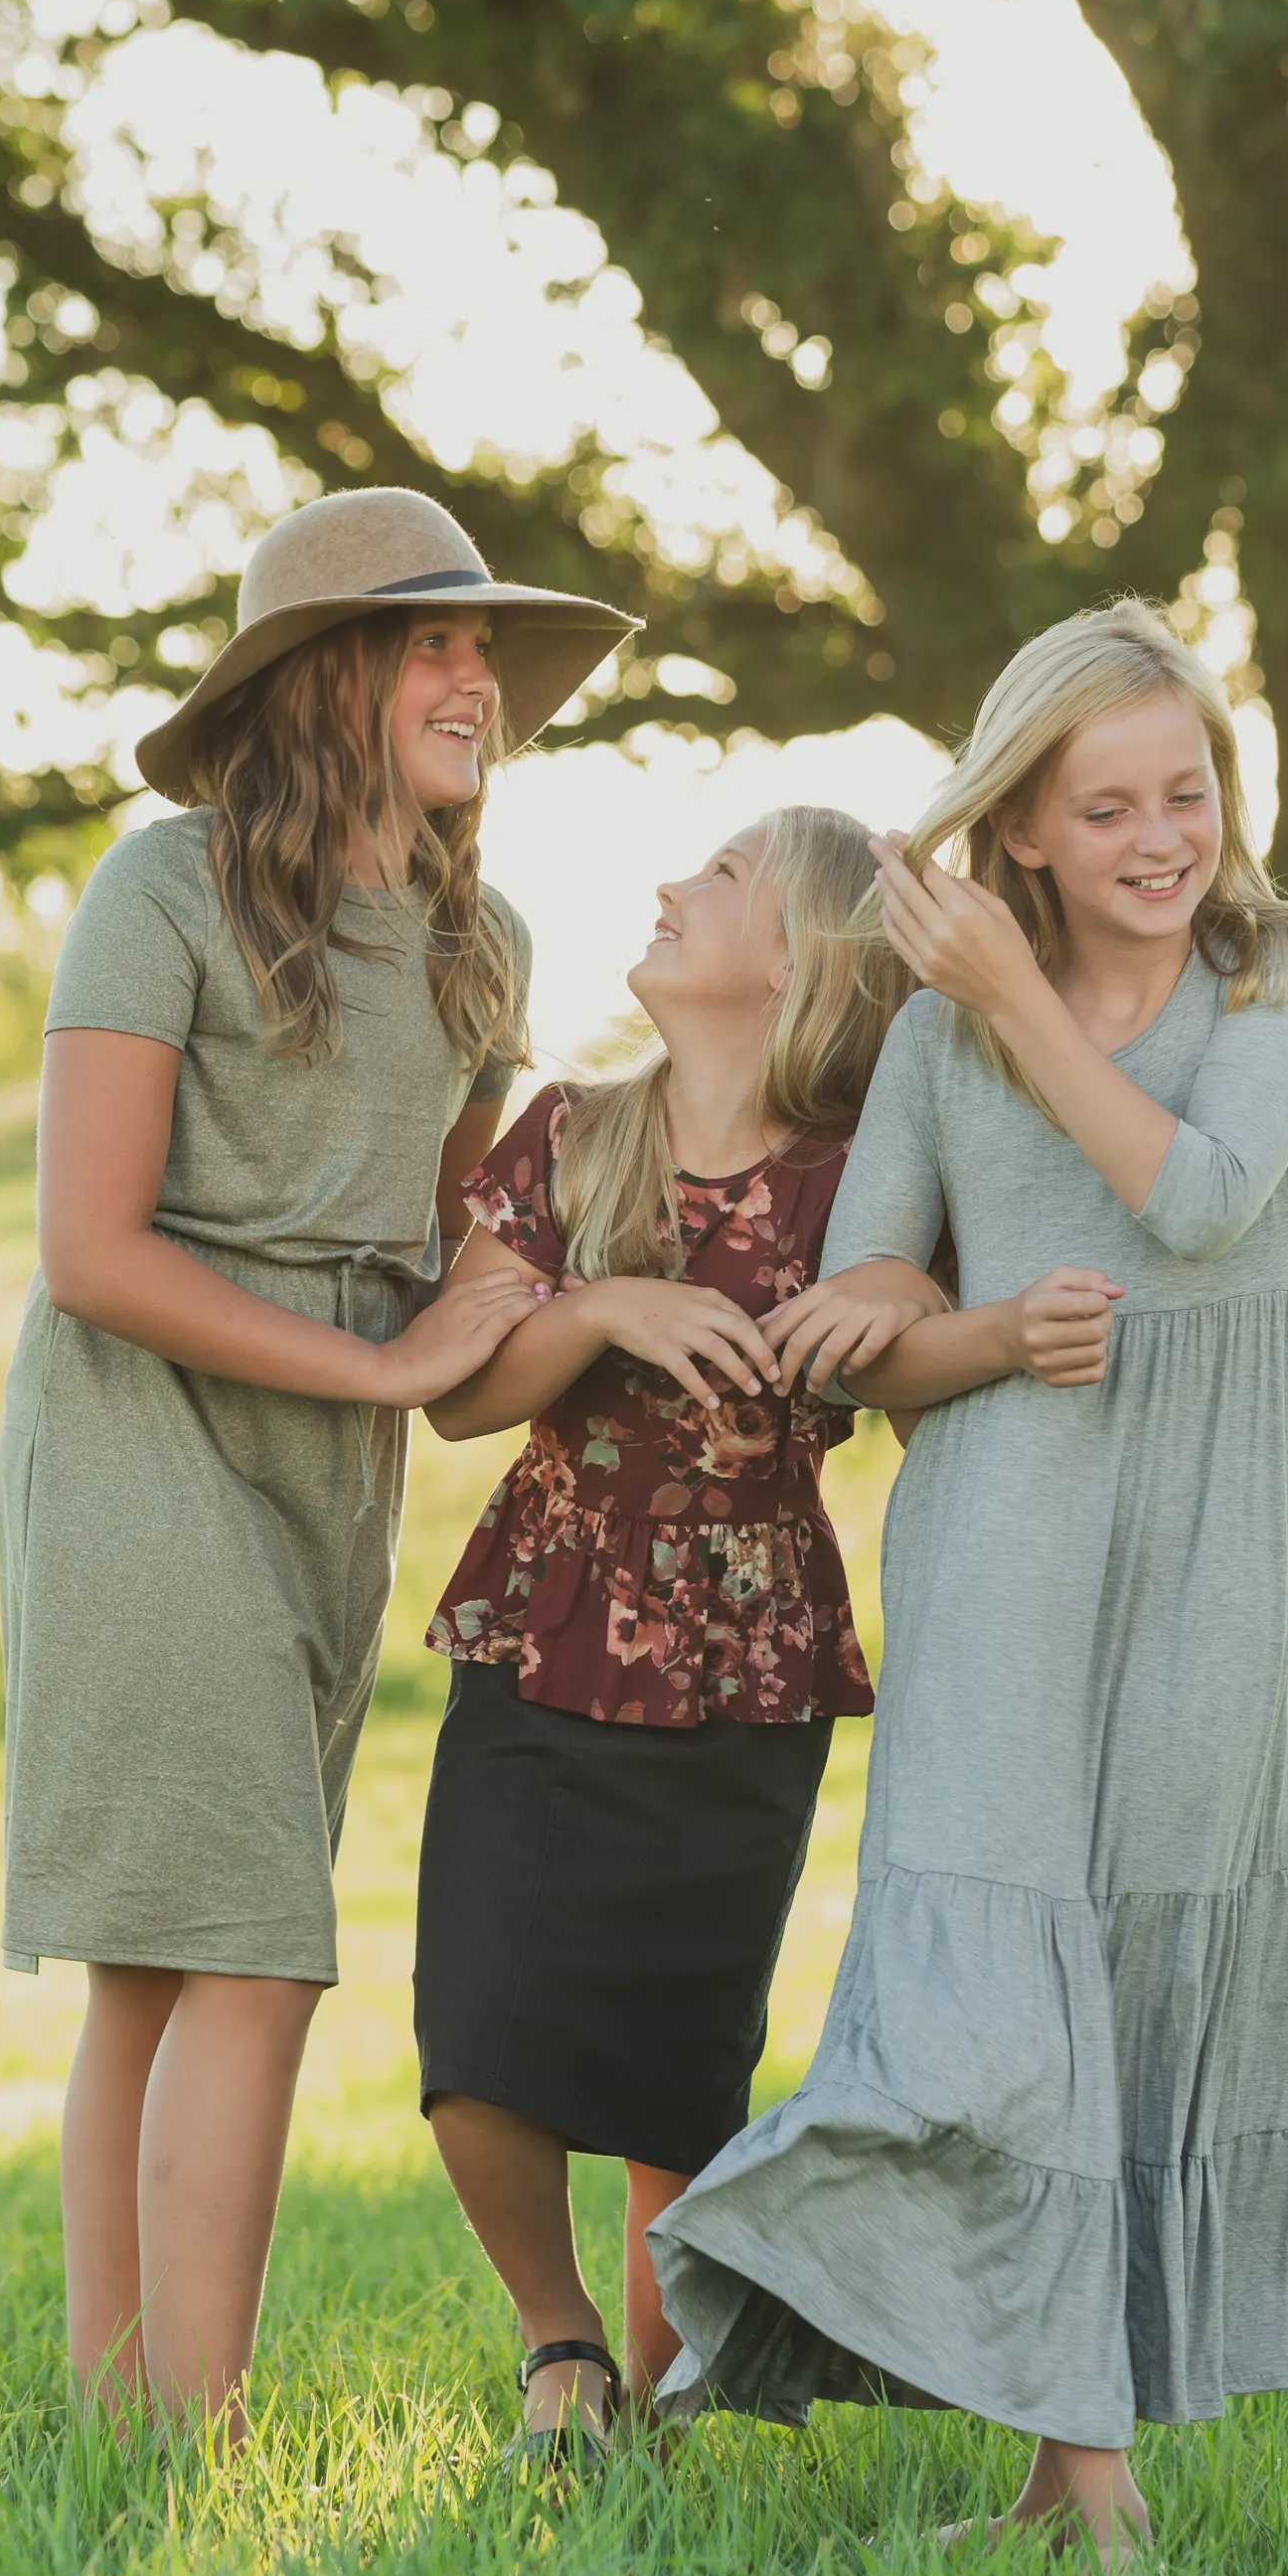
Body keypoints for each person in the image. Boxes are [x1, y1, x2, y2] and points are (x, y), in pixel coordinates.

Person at [647, 598, 1288, 2562]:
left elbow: (1203, 1197)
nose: (1164, 835)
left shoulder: (1284, 973)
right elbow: (878, 1290)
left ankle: (1083, 2496)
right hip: (993, 1548)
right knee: (982, 1993)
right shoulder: (947, 1037)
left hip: (1200, 1561)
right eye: (1110, 804)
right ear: (1025, 830)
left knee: (1134, 1976)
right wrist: (897, 1305)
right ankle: (771, 2269)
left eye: (1188, 789)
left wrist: (1013, 997)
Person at [0, 486, 635, 2437]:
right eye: (432, 641)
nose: (474, 679)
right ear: (317, 676)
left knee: (160, 1958)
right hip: (133, 1439)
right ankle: (194, 2434)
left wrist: (629, 1293)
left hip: (325, 1483)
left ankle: (114, 2423)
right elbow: (92, 1251)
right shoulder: (163, 888)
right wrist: (385, 1366)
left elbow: (457, 1292)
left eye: (485, 653)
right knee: (251, 1949)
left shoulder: (481, 939)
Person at [411, 806, 931, 2466]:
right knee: (480, 2034)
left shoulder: (871, 1170)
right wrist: (598, 1306)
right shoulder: (573, 1133)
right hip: (543, 1628)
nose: (663, 886)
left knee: (679, 2061)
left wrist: (914, 1304)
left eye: (714, 879)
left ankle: (652, 2396)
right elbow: (455, 1396)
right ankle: (554, 2339)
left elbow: (925, 1354)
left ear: (797, 960)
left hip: (747, 1661)